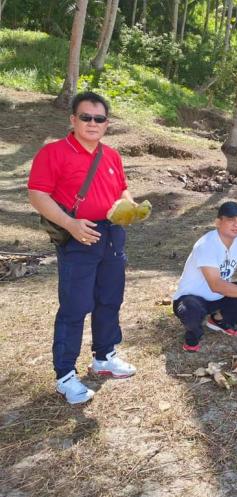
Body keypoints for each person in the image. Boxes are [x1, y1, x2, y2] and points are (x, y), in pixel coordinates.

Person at [27, 92, 136, 405]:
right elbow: (38, 195)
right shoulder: (54, 153)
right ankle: (65, 375)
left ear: (106, 124)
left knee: (110, 299)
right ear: (72, 120)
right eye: (85, 117)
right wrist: (71, 224)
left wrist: (130, 206)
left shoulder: (111, 156)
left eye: (98, 118)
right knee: (75, 307)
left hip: (112, 235)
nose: (92, 123)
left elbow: (121, 190)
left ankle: (104, 357)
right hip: (78, 235)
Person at [172, 201, 237, 352]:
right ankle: (193, 335)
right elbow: (216, 284)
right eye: (230, 220)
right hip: (192, 299)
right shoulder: (206, 245)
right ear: (218, 222)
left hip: (219, 298)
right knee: (191, 309)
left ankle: (218, 320)